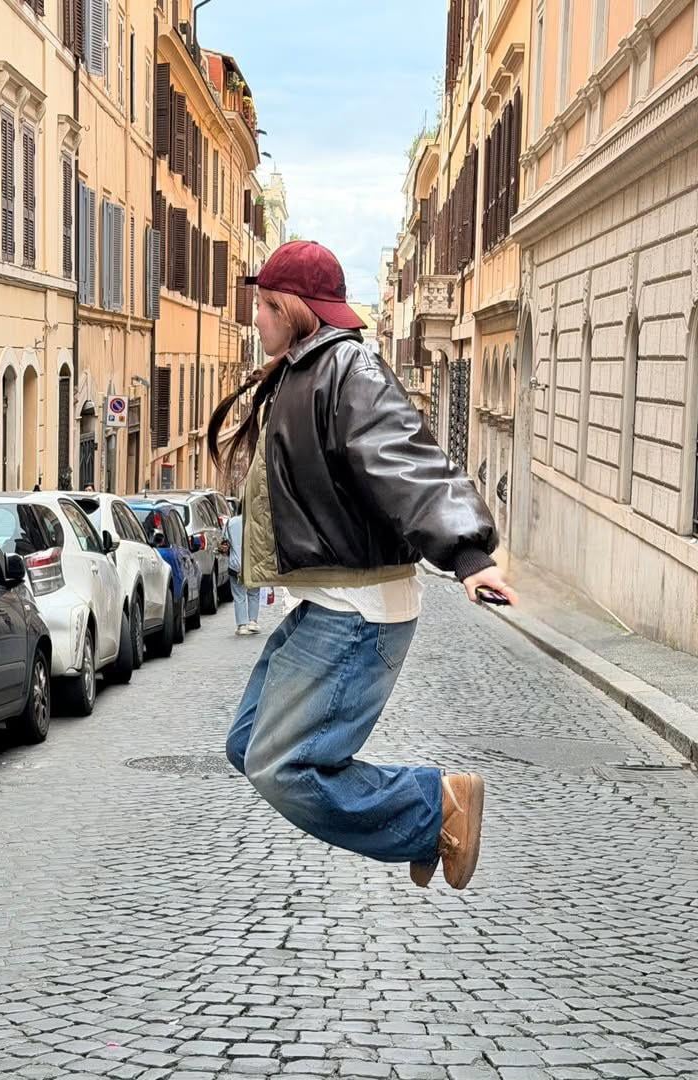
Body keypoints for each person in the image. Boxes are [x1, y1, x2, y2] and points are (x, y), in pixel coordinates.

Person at [207, 241, 516, 891]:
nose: (255, 318)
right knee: (248, 745)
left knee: (282, 766)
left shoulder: (349, 369)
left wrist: (467, 553)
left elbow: (408, 460)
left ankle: (434, 807)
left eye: (266, 305)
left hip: (357, 612)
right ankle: (424, 820)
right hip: (327, 602)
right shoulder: (301, 370)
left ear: (295, 309)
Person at [222, 504, 261, 636]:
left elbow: (224, 543)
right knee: (254, 593)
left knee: (239, 595)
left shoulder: (230, 523)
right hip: (253, 563)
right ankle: (253, 622)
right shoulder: (257, 522)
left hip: (236, 565)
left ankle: (242, 625)